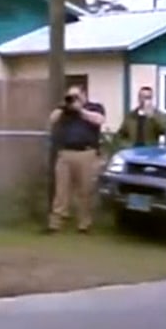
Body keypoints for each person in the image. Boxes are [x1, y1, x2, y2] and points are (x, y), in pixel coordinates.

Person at [47, 83, 106, 233]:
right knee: (61, 191)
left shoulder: (94, 107)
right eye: (70, 96)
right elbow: (52, 119)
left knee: (85, 190)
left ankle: (84, 224)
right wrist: (63, 106)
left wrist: (81, 110)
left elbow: (99, 120)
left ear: (83, 95)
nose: (72, 99)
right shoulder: (64, 111)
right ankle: (55, 223)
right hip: (65, 153)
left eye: (75, 96)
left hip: (86, 153)